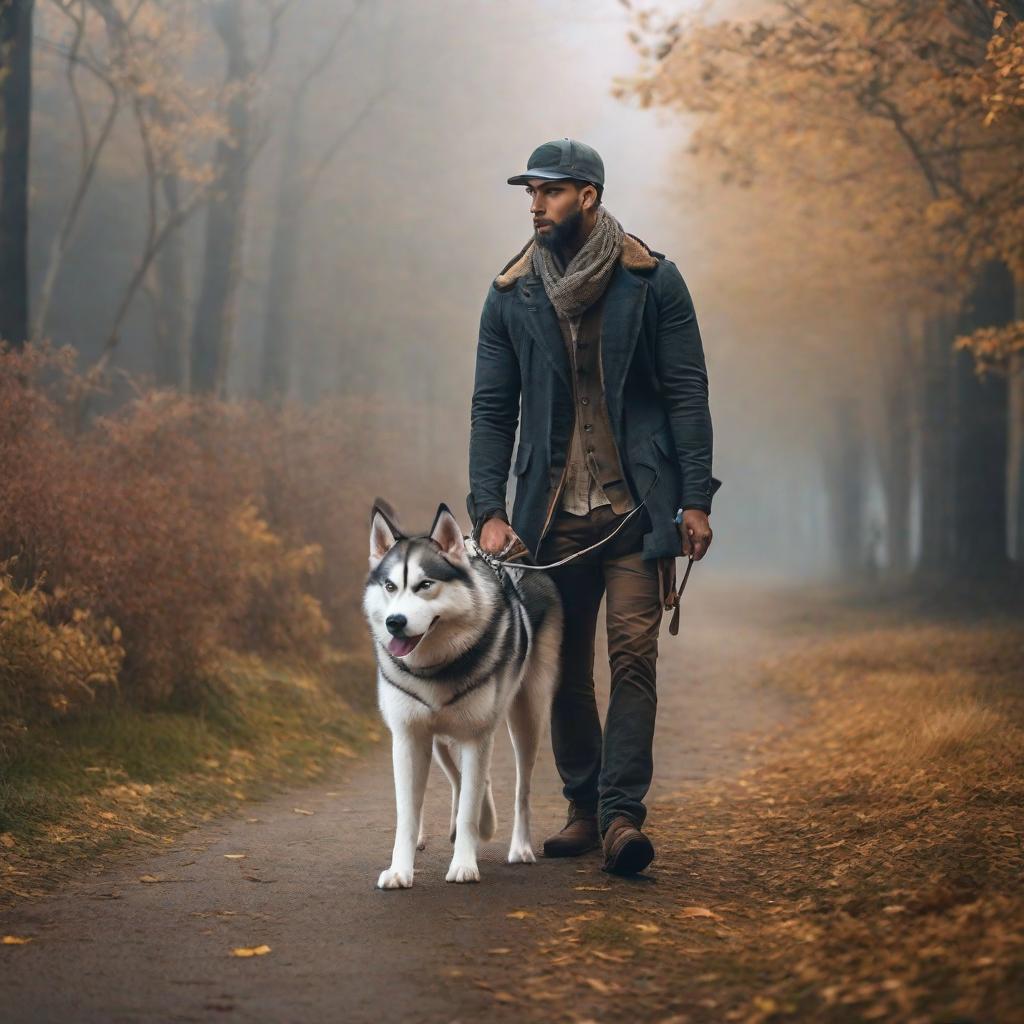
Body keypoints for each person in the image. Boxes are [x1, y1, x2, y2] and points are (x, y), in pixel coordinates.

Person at [466, 138, 720, 876]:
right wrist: (489, 508)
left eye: (549, 191)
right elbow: (491, 410)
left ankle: (620, 818)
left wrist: (695, 499)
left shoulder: (654, 281)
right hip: (549, 515)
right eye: (530, 194)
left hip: (639, 510)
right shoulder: (509, 294)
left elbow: (686, 395)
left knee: (634, 657)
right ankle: (581, 805)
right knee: (565, 668)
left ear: (589, 196)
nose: (535, 205)